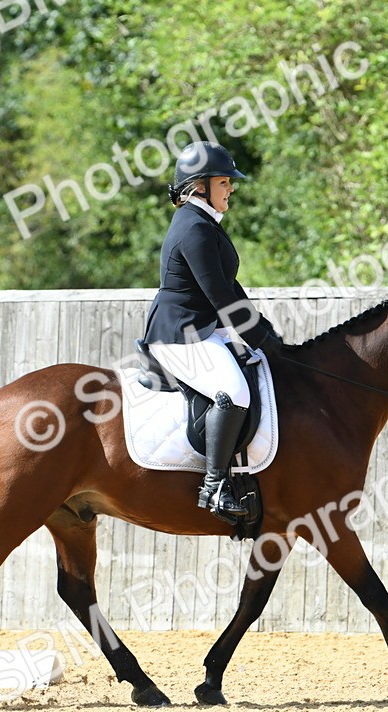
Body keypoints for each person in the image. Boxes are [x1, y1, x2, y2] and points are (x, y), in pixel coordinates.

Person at [142, 141, 285, 522]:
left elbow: (230, 288)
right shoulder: (194, 228)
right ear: (200, 185)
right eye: (225, 182)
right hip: (181, 332)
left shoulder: (204, 223)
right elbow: (219, 295)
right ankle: (215, 486)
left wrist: (266, 337)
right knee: (234, 393)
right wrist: (259, 336)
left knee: (259, 366)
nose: (231, 189)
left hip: (203, 328)